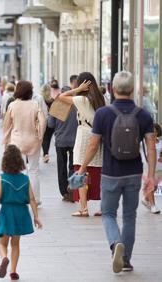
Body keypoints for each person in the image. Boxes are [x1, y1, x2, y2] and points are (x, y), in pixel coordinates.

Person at [75, 71, 156, 273]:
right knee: (129, 216)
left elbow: (93, 146)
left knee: (109, 213)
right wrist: (152, 176)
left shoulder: (104, 114)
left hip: (110, 172)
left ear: (113, 89)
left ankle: (115, 243)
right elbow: (151, 147)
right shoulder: (143, 114)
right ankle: (126, 260)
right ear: (132, 90)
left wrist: (82, 169)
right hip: (134, 173)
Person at [0, 145, 42, 280]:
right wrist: (36, 217)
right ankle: (13, 271)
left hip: (7, 212)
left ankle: (4, 257)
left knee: (2, 243)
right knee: (16, 244)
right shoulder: (25, 179)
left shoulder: (2, 178)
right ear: (20, 162)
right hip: (21, 213)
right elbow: (32, 199)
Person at [58, 72, 105, 217]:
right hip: (98, 136)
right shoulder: (100, 98)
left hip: (84, 135)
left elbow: (61, 97)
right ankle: (103, 207)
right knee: (97, 171)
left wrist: (77, 90)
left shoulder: (82, 99)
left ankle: (83, 208)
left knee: (80, 169)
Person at [3, 81, 47, 206]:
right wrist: (40, 135)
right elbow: (43, 121)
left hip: (17, 141)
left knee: (19, 170)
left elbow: (6, 125)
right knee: (33, 170)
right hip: (33, 140)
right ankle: (36, 198)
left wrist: (6, 141)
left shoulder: (12, 105)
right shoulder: (35, 104)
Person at [48, 86, 78, 201]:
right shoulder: (76, 105)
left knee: (61, 167)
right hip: (74, 140)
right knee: (73, 166)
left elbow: (50, 124)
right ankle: (72, 190)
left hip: (60, 141)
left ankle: (64, 192)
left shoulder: (57, 105)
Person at [142, 123, 161, 214]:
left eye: (155, 131)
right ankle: (153, 206)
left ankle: (145, 199)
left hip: (159, 168)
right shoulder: (144, 143)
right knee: (151, 185)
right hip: (148, 167)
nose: (153, 132)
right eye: (151, 131)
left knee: (155, 186)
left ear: (158, 132)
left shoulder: (161, 142)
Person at [40, 84, 54, 163]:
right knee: (48, 138)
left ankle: (45, 154)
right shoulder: (52, 100)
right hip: (51, 121)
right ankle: (46, 153)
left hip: (43, 120)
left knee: (44, 138)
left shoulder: (41, 100)